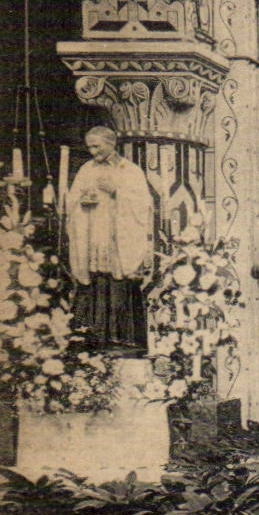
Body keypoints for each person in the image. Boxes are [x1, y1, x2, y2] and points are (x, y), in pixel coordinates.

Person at [65, 125, 155, 351]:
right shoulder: (86, 169)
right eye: (89, 147)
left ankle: (120, 338)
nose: (93, 152)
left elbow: (143, 204)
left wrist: (117, 191)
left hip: (119, 238)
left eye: (96, 146)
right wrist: (81, 201)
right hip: (93, 233)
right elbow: (72, 200)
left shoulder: (130, 170)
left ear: (111, 143)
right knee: (95, 279)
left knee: (118, 281)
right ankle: (94, 338)